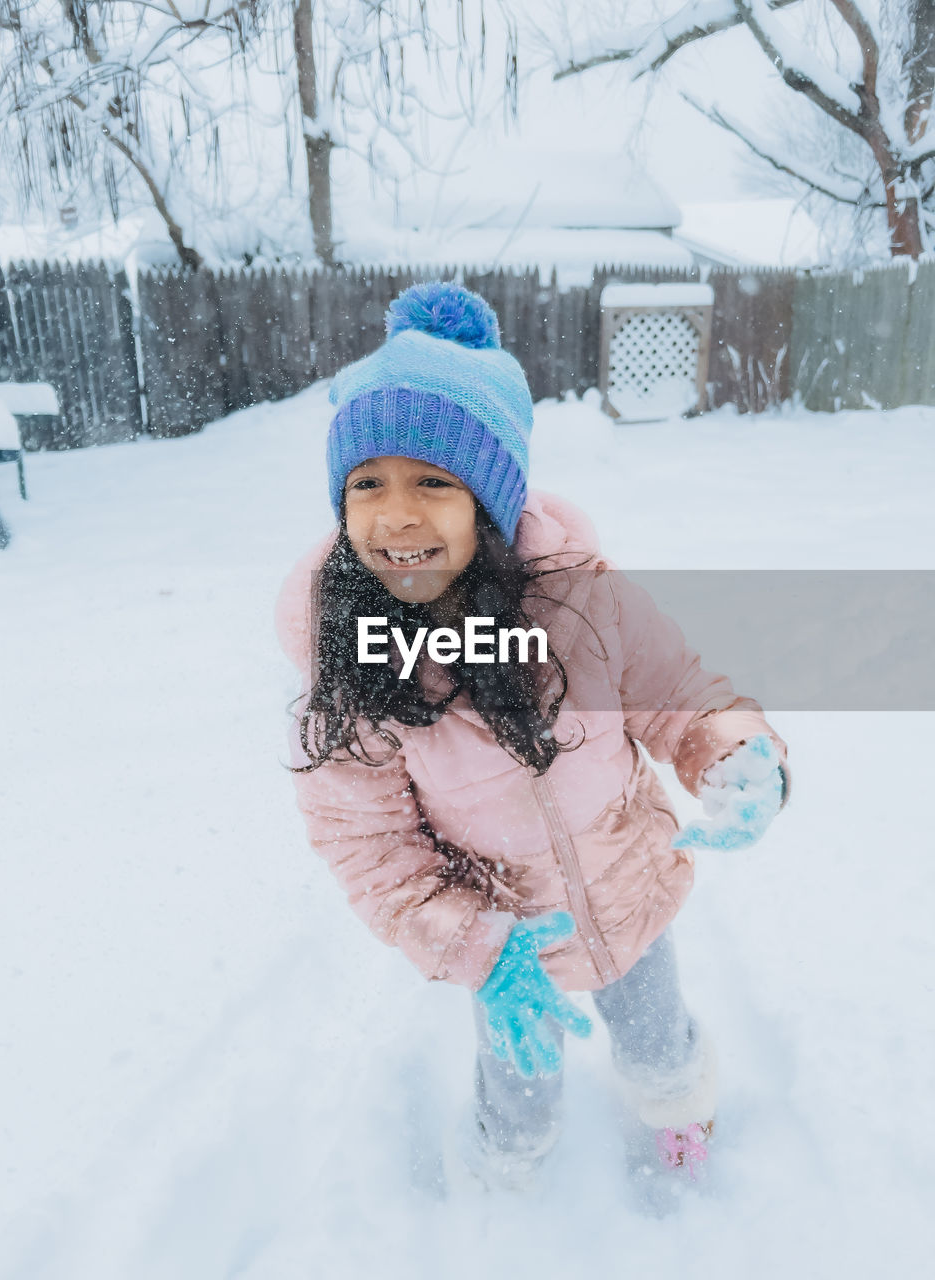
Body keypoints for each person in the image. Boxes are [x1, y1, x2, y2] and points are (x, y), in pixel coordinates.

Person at [275, 281, 789, 1194]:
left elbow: (677, 691)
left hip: (630, 894)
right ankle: (499, 1180)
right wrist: (478, 945)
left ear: (494, 500)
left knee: (659, 1048)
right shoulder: (356, 673)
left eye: (434, 482)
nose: (397, 515)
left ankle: (680, 1115)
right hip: (508, 933)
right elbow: (371, 850)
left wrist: (736, 752)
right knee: (522, 1097)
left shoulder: (582, 603)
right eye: (368, 485)